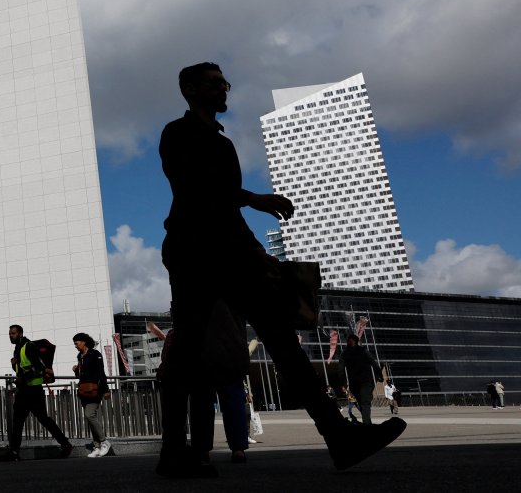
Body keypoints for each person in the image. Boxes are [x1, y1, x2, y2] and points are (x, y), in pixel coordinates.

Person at [154, 63, 406, 478]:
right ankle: (173, 452)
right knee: (189, 355)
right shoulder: (177, 133)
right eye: (216, 83)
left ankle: (338, 436)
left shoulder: (224, 142)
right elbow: (194, 188)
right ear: (190, 88)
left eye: (225, 83)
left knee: (279, 344)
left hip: (229, 252)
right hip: (196, 252)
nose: (225, 89)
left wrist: (257, 251)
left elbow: (221, 209)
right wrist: (252, 198)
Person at [0, 324, 73, 461]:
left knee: (41, 419)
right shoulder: (18, 349)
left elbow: (38, 368)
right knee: (20, 421)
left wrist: (22, 379)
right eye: (9, 334)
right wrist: (14, 365)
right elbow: (22, 369)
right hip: (25, 390)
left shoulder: (28, 346)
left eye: (13, 333)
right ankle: (14, 452)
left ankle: (65, 444)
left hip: (33, 390)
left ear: (20, 334)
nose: (10, 336)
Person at [71, 333, 111, 458]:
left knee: (90, 415)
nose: (75, 346)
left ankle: (104, 442)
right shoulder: (80, 356)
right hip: (84, 391)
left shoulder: (95, 354)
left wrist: (106, 390)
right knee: (89, 418)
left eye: (76, 343)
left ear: (84, 342)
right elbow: (81, 376)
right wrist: (76, 371)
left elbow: (101, 373)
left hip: (95, 390)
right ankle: (97, 446)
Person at [338, 334, 380, 425]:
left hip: (355, 383)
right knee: (365, 404)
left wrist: (343, 384)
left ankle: (368, 424)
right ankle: (367, 426)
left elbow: (341, 370)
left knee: (362, 404)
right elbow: (374, 363)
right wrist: (379, 374)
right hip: (365, 382)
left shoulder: (344, 353)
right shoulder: (363, 351)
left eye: (349, 340)